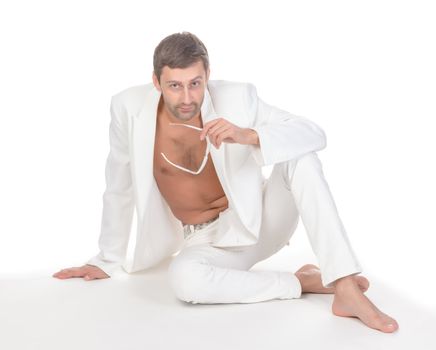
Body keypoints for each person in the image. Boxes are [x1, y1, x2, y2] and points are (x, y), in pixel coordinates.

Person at [53, 32, 399, 333]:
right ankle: (300, 281)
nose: (187, 98)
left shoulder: (238, 98)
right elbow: (119, 184)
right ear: (156, 82)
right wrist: (105, 259)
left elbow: (313, 134)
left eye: (195, 84)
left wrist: (250, 135)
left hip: (258, 223)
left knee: (302, 158)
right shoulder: (127, 108)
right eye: (174, 85)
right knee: (184, 281)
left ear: (207, 77)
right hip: (202, 241)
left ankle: (345, 286)